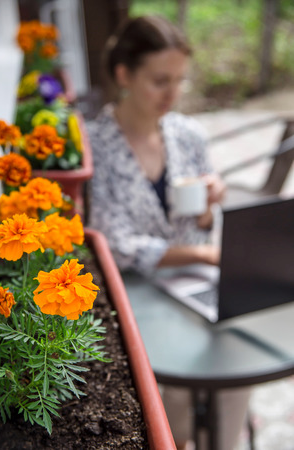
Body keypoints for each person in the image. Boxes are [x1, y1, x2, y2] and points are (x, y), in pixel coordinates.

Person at [87, 15, 249, 450]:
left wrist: (210, 204)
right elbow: (115, 244)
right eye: (160, 80)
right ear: (124, 74)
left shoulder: (188, 133)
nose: (173, 94)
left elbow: (201, 223)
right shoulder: (94, 145)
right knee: (172, 390)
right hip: (135, 293)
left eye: (179, 80)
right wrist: (200, 254)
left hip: (194, 284)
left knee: (235, 366)